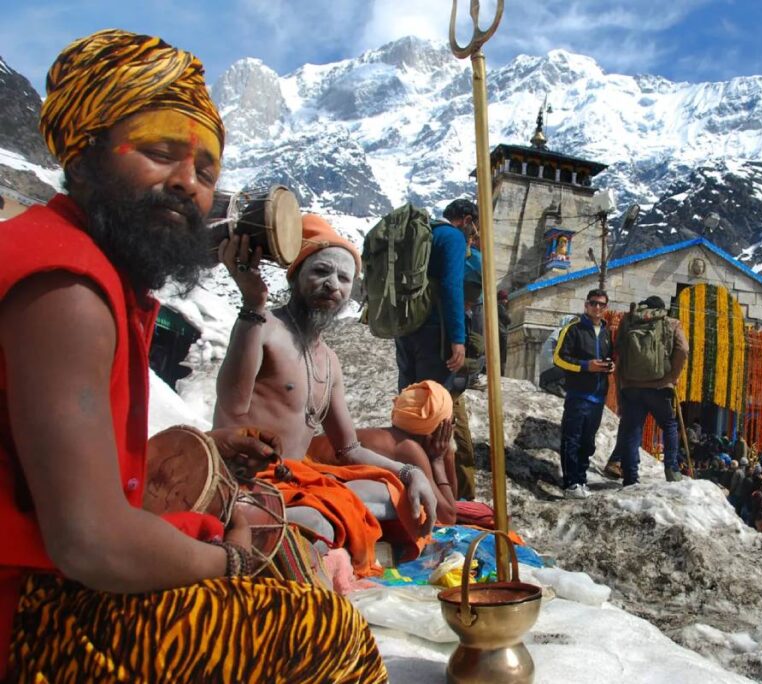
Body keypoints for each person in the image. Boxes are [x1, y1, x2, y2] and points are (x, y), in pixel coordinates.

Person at [0, 29, 385, 682]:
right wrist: (232, 565)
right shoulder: (66, 286)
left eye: (206, 171)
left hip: (53, 574)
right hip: (27, 614)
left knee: (289, 545)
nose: (187, 183)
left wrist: (205, 450)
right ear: (85, 152)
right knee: (321, 628)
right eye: (157, 151)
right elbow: (88, 540)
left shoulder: (95, 273)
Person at [215, 214, 438, 536]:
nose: (332, 284)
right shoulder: (260, 324)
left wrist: (409, 472)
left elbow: (348, 449)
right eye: (321, 271)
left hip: (295, 478)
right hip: (245, 480)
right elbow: (232, 406)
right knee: (320, 526)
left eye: (344, 279)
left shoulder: (329, 361)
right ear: (296, 276)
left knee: (394, 497)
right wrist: (252, 303)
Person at [394, 199, 478, 391]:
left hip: (405, 325)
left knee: (407, 394)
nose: (472, 234)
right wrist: (458, 339)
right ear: (466, 220)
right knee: (433, 397)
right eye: (473, 228)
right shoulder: (453, 237)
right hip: (434, 330)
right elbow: (452, 286)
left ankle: (404, 421)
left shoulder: (423, 232)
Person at [356, 381, 459, 526]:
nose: (451, 431)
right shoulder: (408, 449)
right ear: (439, 430)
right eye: (451, 424)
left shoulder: (391, 437)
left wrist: (447, 454)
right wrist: (438, 461)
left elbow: (452, 502)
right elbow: (448, 516)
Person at [615, 295, 689, 485]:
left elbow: (619, 351)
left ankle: (630, 477)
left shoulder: (629, 320)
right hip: (659, 386)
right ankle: (671, 470)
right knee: (670, 426)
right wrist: (672, 376)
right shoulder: (671, 323)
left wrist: (623, 381)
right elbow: (683, 349)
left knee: (633, 430)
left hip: (632, 386)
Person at [553, 288, 614, 498]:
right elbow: (559, 358)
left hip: (598, 396)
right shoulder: (573, 329)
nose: (597, 307)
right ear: (586, 305)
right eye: (593, 303)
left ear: (606, 308)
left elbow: (608, 356)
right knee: (573, 439)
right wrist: (586, 366)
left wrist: (609, 366)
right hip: (578, 394)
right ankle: (571, 484)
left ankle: (581, 479)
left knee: (588, 441)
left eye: (601, 304)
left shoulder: (606, 332)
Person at [497, 289, 511, 375]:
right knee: (502, 355)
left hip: (499, 333)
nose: (506, 301)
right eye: (505, 299)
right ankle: (500, 373)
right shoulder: (500, 307)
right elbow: (508, 320)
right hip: (501, 333)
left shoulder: (497, 307)